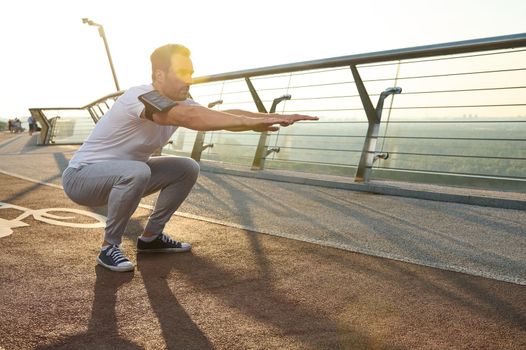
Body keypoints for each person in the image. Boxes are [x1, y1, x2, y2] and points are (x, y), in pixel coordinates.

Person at [62, 44, 318, 272]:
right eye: (183, 73)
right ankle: (109, 247)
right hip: (82, 178)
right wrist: (247, 122)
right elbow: (190, 118)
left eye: (191, 73)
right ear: (160, 75)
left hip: (124, 175)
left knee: (185, 167)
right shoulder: (139, 97)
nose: (190, 79)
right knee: (136, 171)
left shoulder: (182, 101)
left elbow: (215, 114)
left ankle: (151, 238)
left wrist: (260, 119)